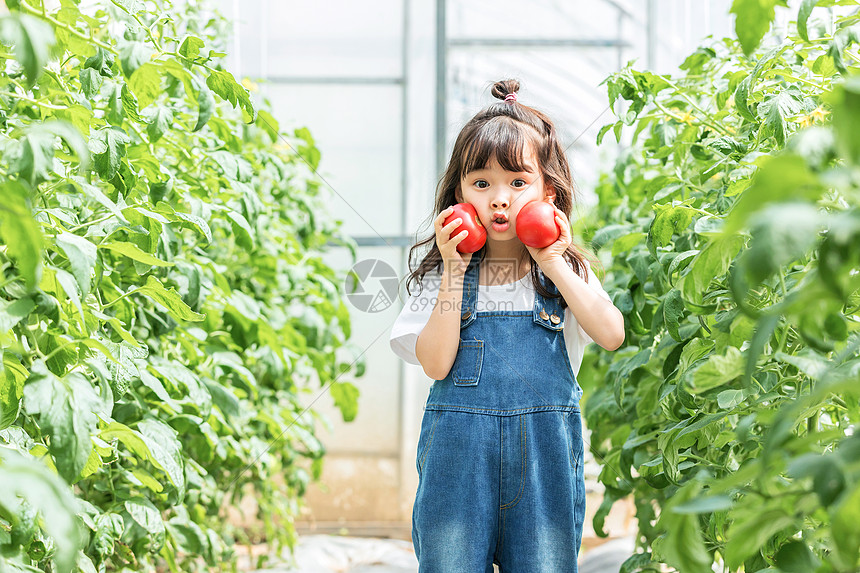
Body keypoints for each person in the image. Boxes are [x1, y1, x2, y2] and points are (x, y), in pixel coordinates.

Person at [389, 79, 625, 572]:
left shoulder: (562, 273)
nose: (500, 199)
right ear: (458, 194)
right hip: (459, 468)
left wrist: (555, 260)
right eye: (481, 183)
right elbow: (436, 363)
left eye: (518, 184)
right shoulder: (441, 274)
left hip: (543, 467)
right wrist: (454, 270)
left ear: (549, 193)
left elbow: (611, 333)